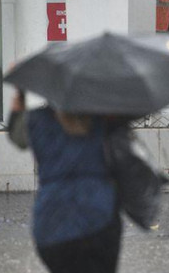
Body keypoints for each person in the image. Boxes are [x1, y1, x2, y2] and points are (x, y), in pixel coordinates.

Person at [7, 90, 123, 273]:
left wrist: (19, 101)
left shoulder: (37, 120)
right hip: (99, 219)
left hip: (52, 225)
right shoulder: (103, 120)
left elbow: (17, 138)